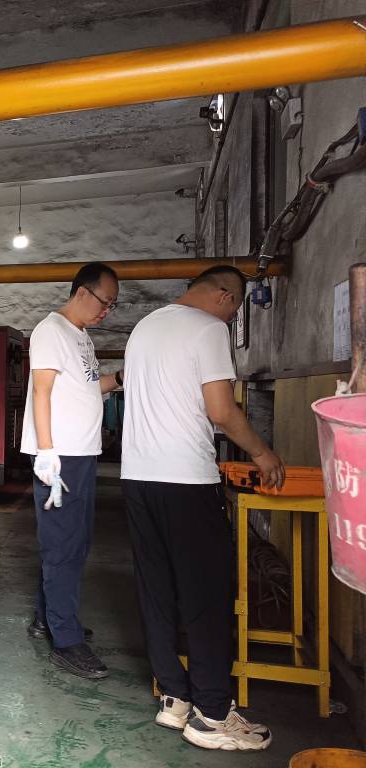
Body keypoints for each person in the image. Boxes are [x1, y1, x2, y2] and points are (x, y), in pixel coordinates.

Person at [122, 265, 285, 751]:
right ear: (224, 296)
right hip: (186, 481)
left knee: (157, 589)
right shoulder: (210, 328)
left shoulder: (144, 327)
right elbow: (221, 410)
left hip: (138, 477)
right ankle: (212, 714)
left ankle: (174, 698)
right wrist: (262, 454)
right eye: (235, 310)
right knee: (206, 596)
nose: (232, 319)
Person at [22, 262, 123, 679]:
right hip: (60, 457)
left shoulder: (80, 336)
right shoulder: (50, 331)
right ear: (82, 292)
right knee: (63, 546)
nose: (107, 311)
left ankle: (47, 617)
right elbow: (42, 392)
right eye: (104, 302)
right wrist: (46, 452)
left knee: (74, 543)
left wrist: (121, 377)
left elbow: (87, 387)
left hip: (80, 455)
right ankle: (66, 641)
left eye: (112, 306)